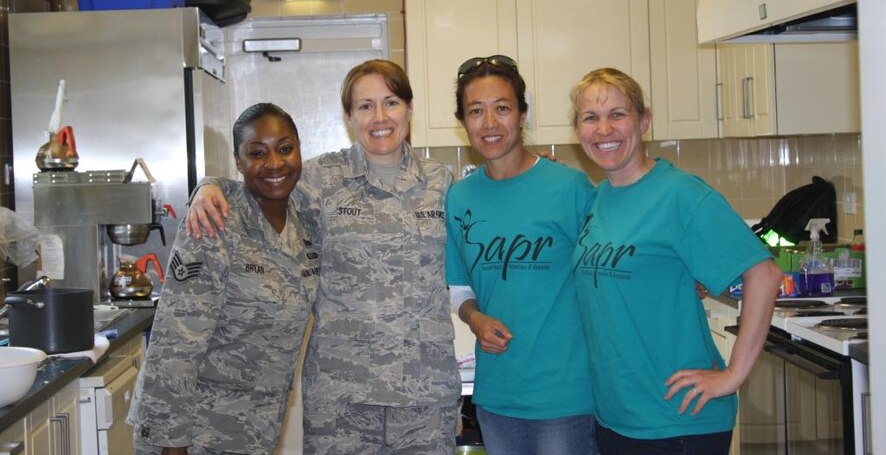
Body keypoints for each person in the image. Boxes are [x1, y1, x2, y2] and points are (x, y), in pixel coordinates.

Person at [185, 60, 461, 454]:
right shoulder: (319, 178)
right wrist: (209, 186)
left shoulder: (442, 182)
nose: (379, 117)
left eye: (391, 102)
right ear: (348, 116)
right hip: (342, 401)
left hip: (424, 396)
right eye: (365, 106)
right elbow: (259, 187)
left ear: (410, 108)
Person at [568, 67, 783, 455]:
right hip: (617, 416)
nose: (604, 129)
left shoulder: (680, 194)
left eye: (618, 114)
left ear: (644, 120)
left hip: (677, 420)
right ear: (577, 129)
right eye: (591, 117)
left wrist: (732, 375)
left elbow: (764, 273)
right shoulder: (599, 199)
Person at [128, 103, 319, 455]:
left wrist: (207, 182)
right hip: (196, 429)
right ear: (238, 161)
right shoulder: (214, 222)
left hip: (256, 428)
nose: (275, 163)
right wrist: (173, 443)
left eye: (285, 148)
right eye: (257, 153)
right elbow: (176, 340)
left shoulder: (305, 221)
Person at [445, 55, 597, 455]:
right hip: (497, 393)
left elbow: (612, 269)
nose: (490, 124)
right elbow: (460, 288)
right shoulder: (460, 199)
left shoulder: (569, 187)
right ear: (463, 121)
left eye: (502, 108)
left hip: (566, 394)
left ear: (522, 113)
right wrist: (476, 319)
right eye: (476, 111)